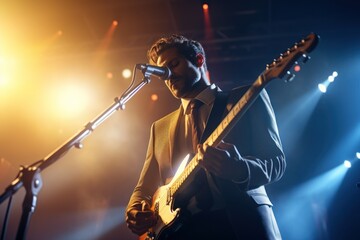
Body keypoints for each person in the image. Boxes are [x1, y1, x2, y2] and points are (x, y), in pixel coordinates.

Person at [125, 34, 286, 239]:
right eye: (163, 73)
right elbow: (144, 187)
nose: (169, 76)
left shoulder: (246, 98)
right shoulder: (160, 127)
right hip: (181, 232)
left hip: (240, 224)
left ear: (199, 60)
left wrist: (239, 168)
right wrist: (134, 209)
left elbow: (276, 161)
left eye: (174, 65)